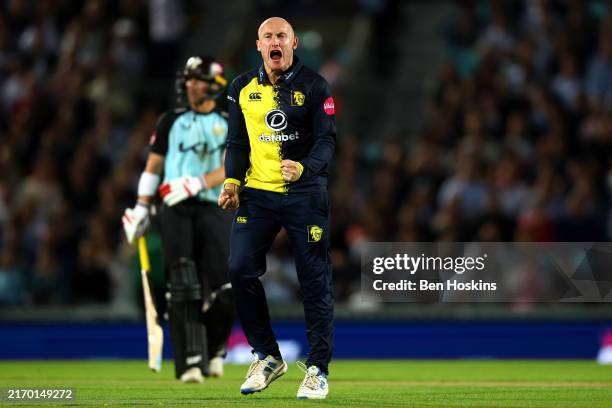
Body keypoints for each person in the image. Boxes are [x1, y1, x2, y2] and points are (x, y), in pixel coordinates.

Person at [218, 17, 336, 400]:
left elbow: (327, 142)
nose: (275, 42)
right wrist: (232, 181)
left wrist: (303, 167)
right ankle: (268, 355)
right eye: (268, 36)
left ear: (293, 43)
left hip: (304, 193)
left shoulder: (316, 87)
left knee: (314, 279)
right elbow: (237, 143)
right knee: (238, 267)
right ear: (258, 45)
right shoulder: (241, 88)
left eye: (281, 36)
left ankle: (317, 368)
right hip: (258, 194)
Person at [122, 55, 235, 384]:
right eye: (188, 79)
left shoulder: (229, 122)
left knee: (227, 288)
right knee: (183, 282)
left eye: (197, 79)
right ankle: (189, 362)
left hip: (214, 206)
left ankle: (214, 348)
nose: (190, 85)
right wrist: (142, 208)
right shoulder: (170, 121)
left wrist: (197, 182)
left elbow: (233, 166)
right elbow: (153, 168)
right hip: (174, 208)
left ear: (214, 85)